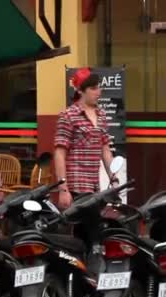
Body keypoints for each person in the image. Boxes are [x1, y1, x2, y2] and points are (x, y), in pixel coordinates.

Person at [54, 67, 117, 210]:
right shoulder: (68, 116)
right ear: (80, 91)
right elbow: (59, 154)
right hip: (76, 186)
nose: (98, 92)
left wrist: (114, 179)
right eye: (93, 88)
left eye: (99, 88)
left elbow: (105, 150)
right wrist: (63, 189)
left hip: (94, 186)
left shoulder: (101, 115)